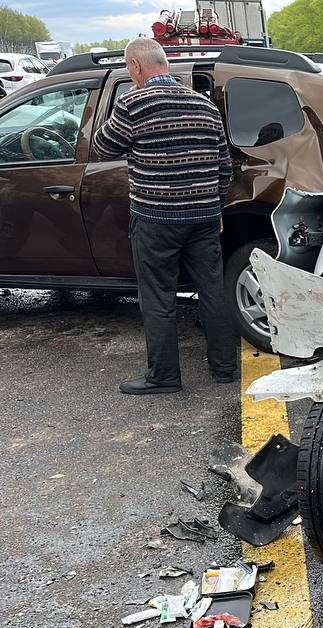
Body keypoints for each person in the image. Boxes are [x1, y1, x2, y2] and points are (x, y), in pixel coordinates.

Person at [93, 37, 237, 395]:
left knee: (158, 295)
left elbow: (102, 146)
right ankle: (225, 368)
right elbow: (224, 167)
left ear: (136, 67)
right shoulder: (204, 105)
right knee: (212, 291)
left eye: (129, 67)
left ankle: (164, 377)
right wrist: (216, 207)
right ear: (166, 64)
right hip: (204, 217)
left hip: (156, 218)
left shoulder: (133, 103)